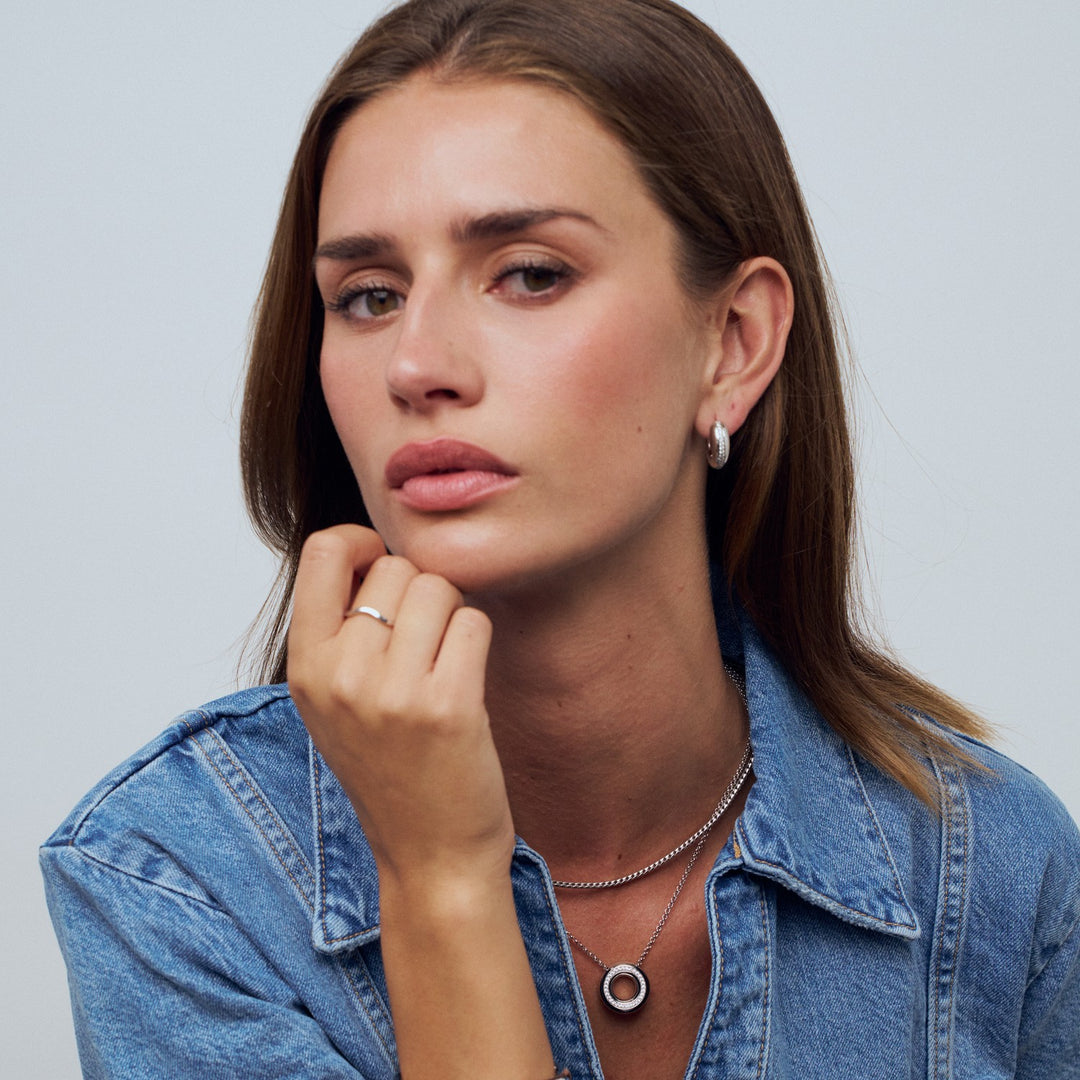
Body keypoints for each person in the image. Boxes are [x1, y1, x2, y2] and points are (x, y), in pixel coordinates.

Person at [41, 0, 1079, 1076]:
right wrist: (441, 875)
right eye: (367, 295)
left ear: (732, 341)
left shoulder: (994, 870)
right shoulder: (172, 879)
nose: (416, 363)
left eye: (530, 274)